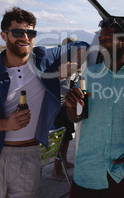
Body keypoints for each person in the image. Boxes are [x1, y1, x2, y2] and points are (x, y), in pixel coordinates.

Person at [0, 7, 89, 198]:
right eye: (17, 32)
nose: (25, 37)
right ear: (3, 36)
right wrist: (6, 124)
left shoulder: (44, 59)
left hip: (31, 154)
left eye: (30, 32)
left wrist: (74, 64)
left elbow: (82, 45)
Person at [65, 18, 124, 198]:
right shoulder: (89, 75)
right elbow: (77, 116)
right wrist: (71, 105)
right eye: (101, 40)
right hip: (86, 169)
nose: (102, 43)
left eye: (107, 39)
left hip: (120, 170)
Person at [52, 37, 79, 180]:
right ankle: (56, 169)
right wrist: (73, 93)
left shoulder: (70, 64)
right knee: (60, 139)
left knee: (67, 137)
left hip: (66, 106)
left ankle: (64, 162)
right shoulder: (59, 65)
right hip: (58, 107)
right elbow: (60, 88)